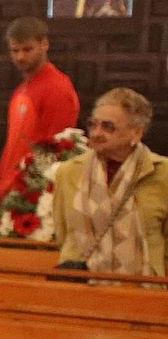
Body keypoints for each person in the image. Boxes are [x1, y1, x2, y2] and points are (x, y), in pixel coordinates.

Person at [53, 88, 168, 277]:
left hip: (144, 291)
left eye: (108, 127)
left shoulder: (162, 173)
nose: (97, 133)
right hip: (80, 287)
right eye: (93, 125)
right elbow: (63, 234)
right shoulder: (69, 172)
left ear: (136, 133)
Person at [0, 16, 80, 198]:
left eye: (27, 49)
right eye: (15, 50)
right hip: (12, 190)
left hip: (33, 194)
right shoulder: (23, 89)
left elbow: (57, 149)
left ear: (44, 44)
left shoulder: (57, 88)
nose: (20, 57)